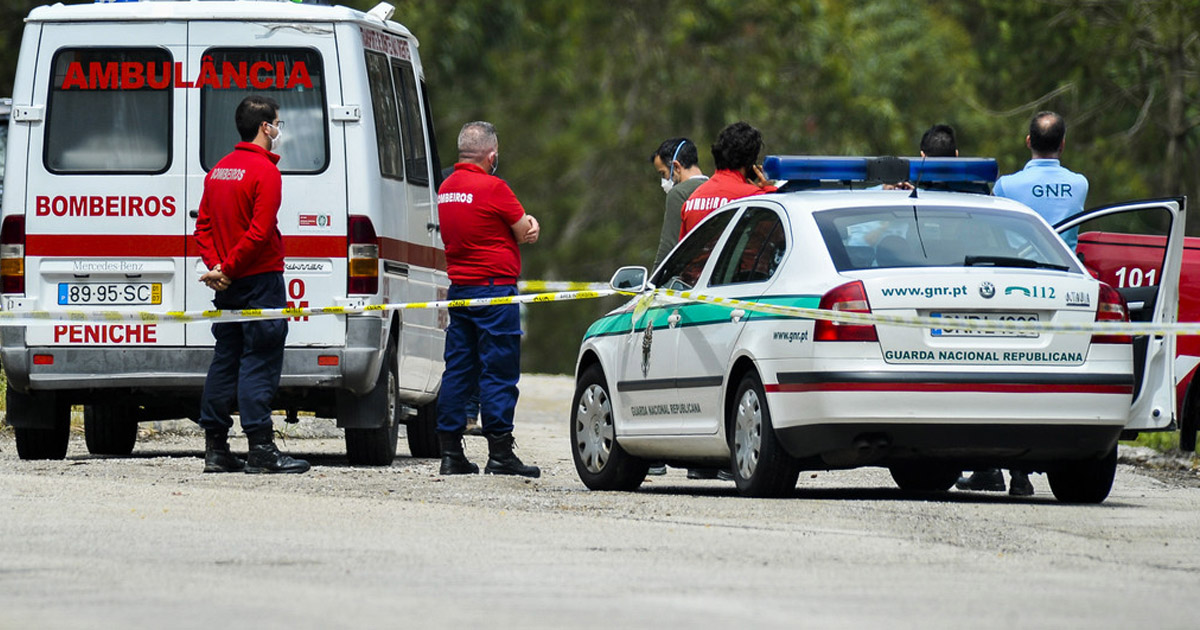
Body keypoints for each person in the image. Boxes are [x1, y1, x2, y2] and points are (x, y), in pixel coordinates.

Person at [957, 111, 1089, 498]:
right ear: (1063, 144)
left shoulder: (1008, 185)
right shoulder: (1080, 184)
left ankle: (1000, 469)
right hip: (1066, 290)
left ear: (1027, 141)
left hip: (1017, 289)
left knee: (1003, 375)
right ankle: (1025, 469)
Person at [194, 95, 309, 474]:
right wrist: (229, 266)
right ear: (265, 127)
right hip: (259, 281)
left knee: (225, 360)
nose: (278, 129)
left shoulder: (219, 170)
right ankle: (261, 448)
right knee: (259, 361)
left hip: (227, 285)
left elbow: (203, 226)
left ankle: (215, 448)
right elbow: (260, 233)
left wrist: (217, 268)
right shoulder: (265, 172)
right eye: (277, 123)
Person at [434, 121, 541, 478]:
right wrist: (532, 226)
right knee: (499, 369)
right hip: (494, 291)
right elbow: (523, 230)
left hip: (461, 290)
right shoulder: (495, 187)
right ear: (491, 155)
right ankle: (500, 452)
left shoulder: (446, 188)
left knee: (459, 369)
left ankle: (450, 452)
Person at [681, 121, 777, 238]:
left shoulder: (691, 201)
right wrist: (769, 189)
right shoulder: (754, 198)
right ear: (750, 162)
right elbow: (776, 236)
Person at [650, 137, 708, 269]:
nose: (663, 181)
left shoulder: (678, 194)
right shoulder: (716, 189)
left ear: (676, 166)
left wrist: (652, 282)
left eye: (663, 173)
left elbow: (668, 248)